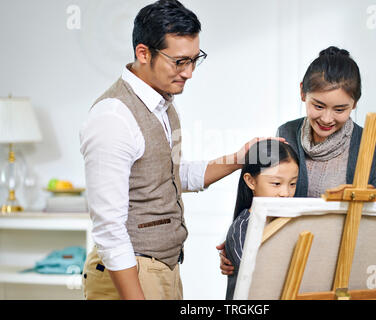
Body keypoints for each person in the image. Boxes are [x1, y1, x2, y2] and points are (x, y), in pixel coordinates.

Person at [80, 0, 282, 300]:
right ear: (143, 53)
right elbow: (109, 229)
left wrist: (239, 159)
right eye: (179, 61)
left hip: (164, 268)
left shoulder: (163, 106)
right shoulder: (113, 116)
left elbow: (170, 175)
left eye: (194, 59)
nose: (189, 73)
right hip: (129, 273)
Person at [218, 46, 376, 276]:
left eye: (340, 109)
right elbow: (265, 194)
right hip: (289, 263)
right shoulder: (287, 133)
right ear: (303, 93)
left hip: (343, 266)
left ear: (355, 103)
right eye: (318, 106)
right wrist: (239, 243)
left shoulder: (368, 147)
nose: (327, 118)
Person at [224, 139, 299, 299]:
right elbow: (257, 277)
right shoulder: (242, 228)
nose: (286, 193)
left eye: (292, 184)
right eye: (276, 183)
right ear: (251, 181)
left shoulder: (291, 222)